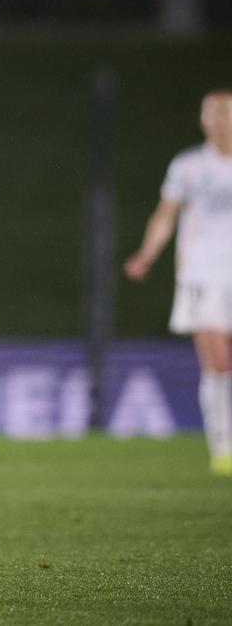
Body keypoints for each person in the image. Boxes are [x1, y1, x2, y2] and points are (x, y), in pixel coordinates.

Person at [124, 90, 232, 476]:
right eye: (211, 114)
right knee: (218, 361)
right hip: (203, 273)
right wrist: (147, 255)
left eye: (225, 114)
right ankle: (223, 448)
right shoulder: (188, 166)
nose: (218, 121)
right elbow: (166, 215)